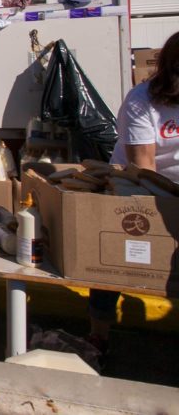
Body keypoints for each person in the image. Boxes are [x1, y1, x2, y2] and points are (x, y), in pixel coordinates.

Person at [88, 31, 179, 354]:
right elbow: (144, 167)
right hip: (137, 185)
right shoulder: (143, 100)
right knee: (111, 261)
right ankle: (99, 335)